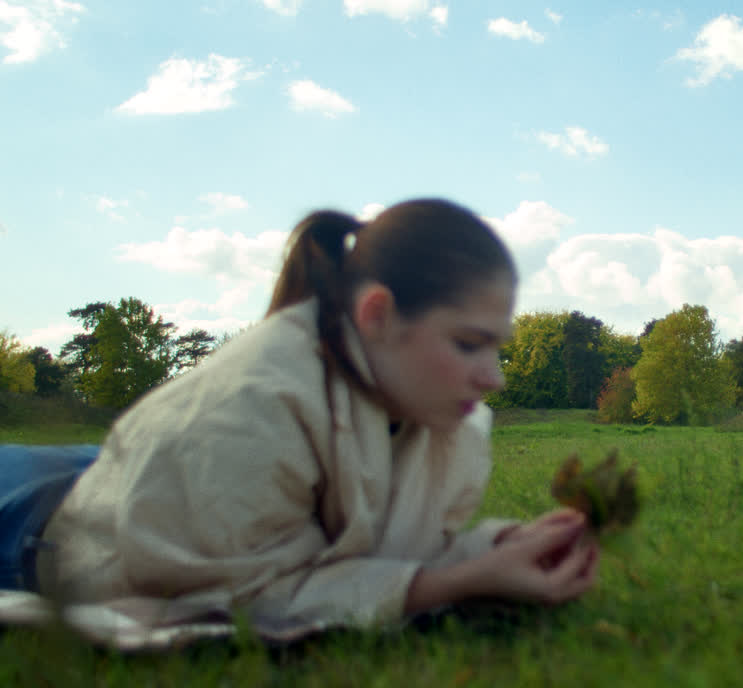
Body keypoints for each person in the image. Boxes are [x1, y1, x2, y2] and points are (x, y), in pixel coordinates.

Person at [23, 198, 598, 639]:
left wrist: (501, 548)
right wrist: (458, 583)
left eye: (496, 348)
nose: (493, 377)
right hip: (43, 517)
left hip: (154, 477)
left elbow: (387, 549)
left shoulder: (436, 416)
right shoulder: (249, 412)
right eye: (469, 344)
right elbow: (245, 600)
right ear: (377, 313)